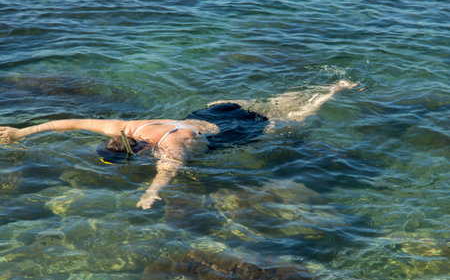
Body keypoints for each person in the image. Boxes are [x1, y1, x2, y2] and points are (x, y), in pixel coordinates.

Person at [0, 80, 357, 209]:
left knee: (288, 122)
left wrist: (152, 193)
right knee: (271, 105)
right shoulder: (125, 126)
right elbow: (69, 123)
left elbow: (169, 169)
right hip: (212, 110)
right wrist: (20, 132)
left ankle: (332, 93)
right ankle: (312, 90)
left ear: (136, 151)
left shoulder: (171, 147)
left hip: (231, 131)